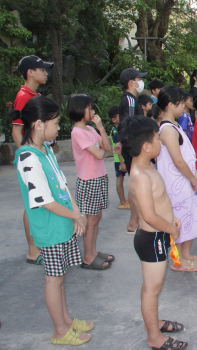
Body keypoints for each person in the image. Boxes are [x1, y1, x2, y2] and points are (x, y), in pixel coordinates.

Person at [12, 96, 91, 345]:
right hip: (50, 227)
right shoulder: (27, 158)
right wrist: (75, 215)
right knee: (53, 279)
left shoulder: (44, 149)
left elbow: (62, 184)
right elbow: (43, 200)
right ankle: (59, 331)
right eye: (55, 123)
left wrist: (75, 210)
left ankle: (66, 320)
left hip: (62, 223)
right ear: (38, 125)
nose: (58, 128)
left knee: (61, 277)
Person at [121, 116, 188, 350]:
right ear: (146, 146)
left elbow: (159, 201)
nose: (161, 143)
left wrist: (172, 218)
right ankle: (154, 337)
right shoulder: (139, 176)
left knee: (150, 287)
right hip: (153, 239)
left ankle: (153, 323)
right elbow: (149, 216)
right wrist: (171, 229)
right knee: (153, 289)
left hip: (157, 236)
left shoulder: (145, 166)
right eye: (157, 139)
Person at [157, 86, 197, 274]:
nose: (184, 106)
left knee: (190, 218)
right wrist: (192, 177)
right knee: (180, 220)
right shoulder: (167, 129)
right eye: (181, 103)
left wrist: (194, 176)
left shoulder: (175, 125)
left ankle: (186, 254)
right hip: (178, 184)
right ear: (171, 105)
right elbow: (178, 160)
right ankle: (178, 259)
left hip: (187, 182)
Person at [11, 55, 53, 266]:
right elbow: (17, 130)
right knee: (33, 203)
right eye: (42, 69)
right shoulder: (23, 96)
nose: (46, 73)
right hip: (31, 157)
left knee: (38, 200)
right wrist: (27, 155)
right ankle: (32, 250)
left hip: (37, 154)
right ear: (30, 72)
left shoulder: (32, 94)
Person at [68, 95, 113, 270]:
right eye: (89, 107)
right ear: (80, 109)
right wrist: (102, 147)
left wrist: (100, 127)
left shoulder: (89, 129)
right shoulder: (77, 132)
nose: (93, 111)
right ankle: (88, 257)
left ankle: (93, 252)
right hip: (89, 180)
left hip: (99, 176)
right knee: (91, 219)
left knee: (97, 217)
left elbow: (107, 148)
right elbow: (100, 154)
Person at [118, 67, 147, 235]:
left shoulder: (132, 100)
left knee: (136, 183)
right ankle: (134, 221)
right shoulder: (129, 100)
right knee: (136, 185)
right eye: (138, 79)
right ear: (131, 82)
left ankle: (136, 220)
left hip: (134, 147)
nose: (141, 82)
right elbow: (129, 125)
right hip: (133, 148)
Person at [109, 106, 129, 209]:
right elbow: (118, 148)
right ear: (114, 119)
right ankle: (122, 201)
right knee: (120, 179)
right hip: (120, 160)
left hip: (124, 159)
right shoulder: (115, 132)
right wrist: (122, 162)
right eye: (119, 116)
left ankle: (124, 200)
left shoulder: (121, 129)